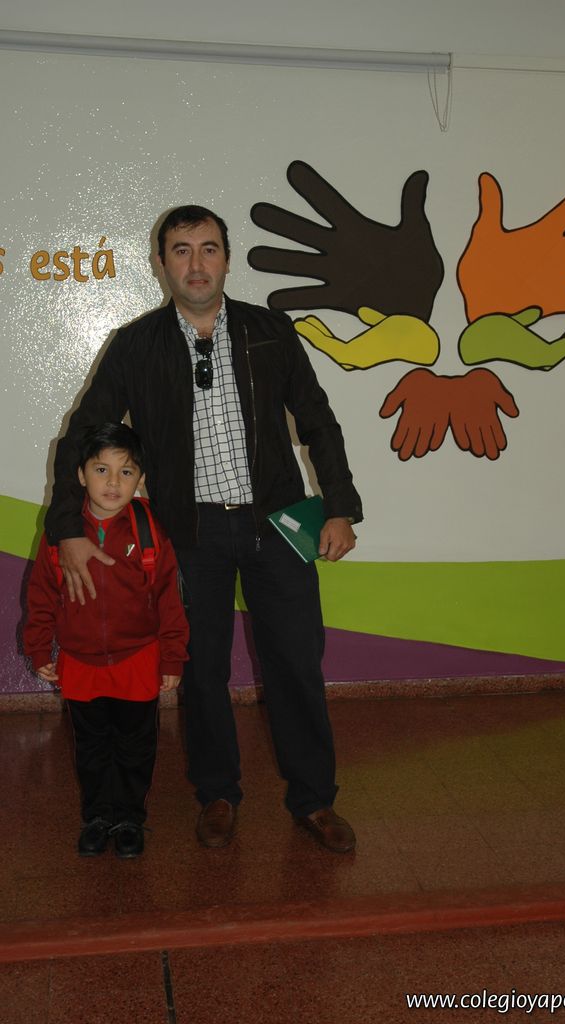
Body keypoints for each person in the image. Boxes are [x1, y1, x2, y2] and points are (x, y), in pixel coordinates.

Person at [45, 205, 363, 854]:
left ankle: (314, 798)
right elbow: (82, 435)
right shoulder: (136, 345)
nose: (197, 263)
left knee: (296, 664)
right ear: (161, 263)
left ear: (226, 259)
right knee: (201, 670)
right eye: (182, 250)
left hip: (278, 525)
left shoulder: (269, 330)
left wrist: (339, 505)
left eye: (209, 248)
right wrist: (68, 528)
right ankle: (218, 794)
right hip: (188, 536)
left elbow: (317, 419)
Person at [24, 422, 189, 858]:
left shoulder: (150, 530)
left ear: (141, 479)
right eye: (101, 470)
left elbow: (169, 598)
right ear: (80, 475)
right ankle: (97, 817)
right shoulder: (62, 531)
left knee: (136, 747)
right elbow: (41, 594)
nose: (113, 483)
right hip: (80, 662)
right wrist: (39, 648)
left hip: (138, 658)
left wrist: (173, 657)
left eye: (126, 472)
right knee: (91, 747)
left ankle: (130, 818)